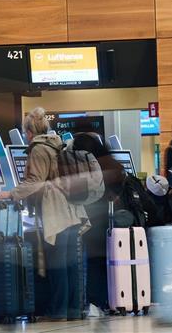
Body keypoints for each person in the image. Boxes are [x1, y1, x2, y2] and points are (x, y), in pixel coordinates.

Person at [0, 108, 88, 321]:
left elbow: (34, 181)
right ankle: (74, 310)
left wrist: (11, 194)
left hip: (56, 210)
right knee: (70, 264)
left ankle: (57, 311)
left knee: (57, 264)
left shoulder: (38, 149)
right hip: (72, 208)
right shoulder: (57, 143)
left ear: (29, 131)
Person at [71, 133, 125, 314]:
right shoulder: (109, 161)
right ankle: (112, 299)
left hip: (95, 217)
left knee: (94, 261)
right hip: (111, 219)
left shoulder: (89, 165)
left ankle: (96, 301)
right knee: (106, 261)